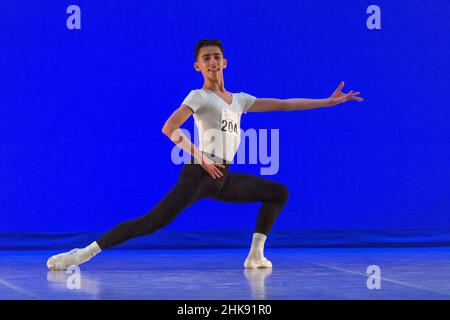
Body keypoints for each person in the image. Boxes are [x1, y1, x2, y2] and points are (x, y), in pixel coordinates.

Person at [47, 39, 363, 271]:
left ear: (225, 62)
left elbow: (286, 104)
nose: (212, 62)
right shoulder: (199, 96)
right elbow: (169, 128)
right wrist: (200, 155)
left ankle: (255, 256)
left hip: (223, 178)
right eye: (206, 59)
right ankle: (82, 254)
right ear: (198, 66)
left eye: (217, 57)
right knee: (152, 222)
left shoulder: (240, 100)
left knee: (277, 193)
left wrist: (328, 102)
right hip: (199, 174)